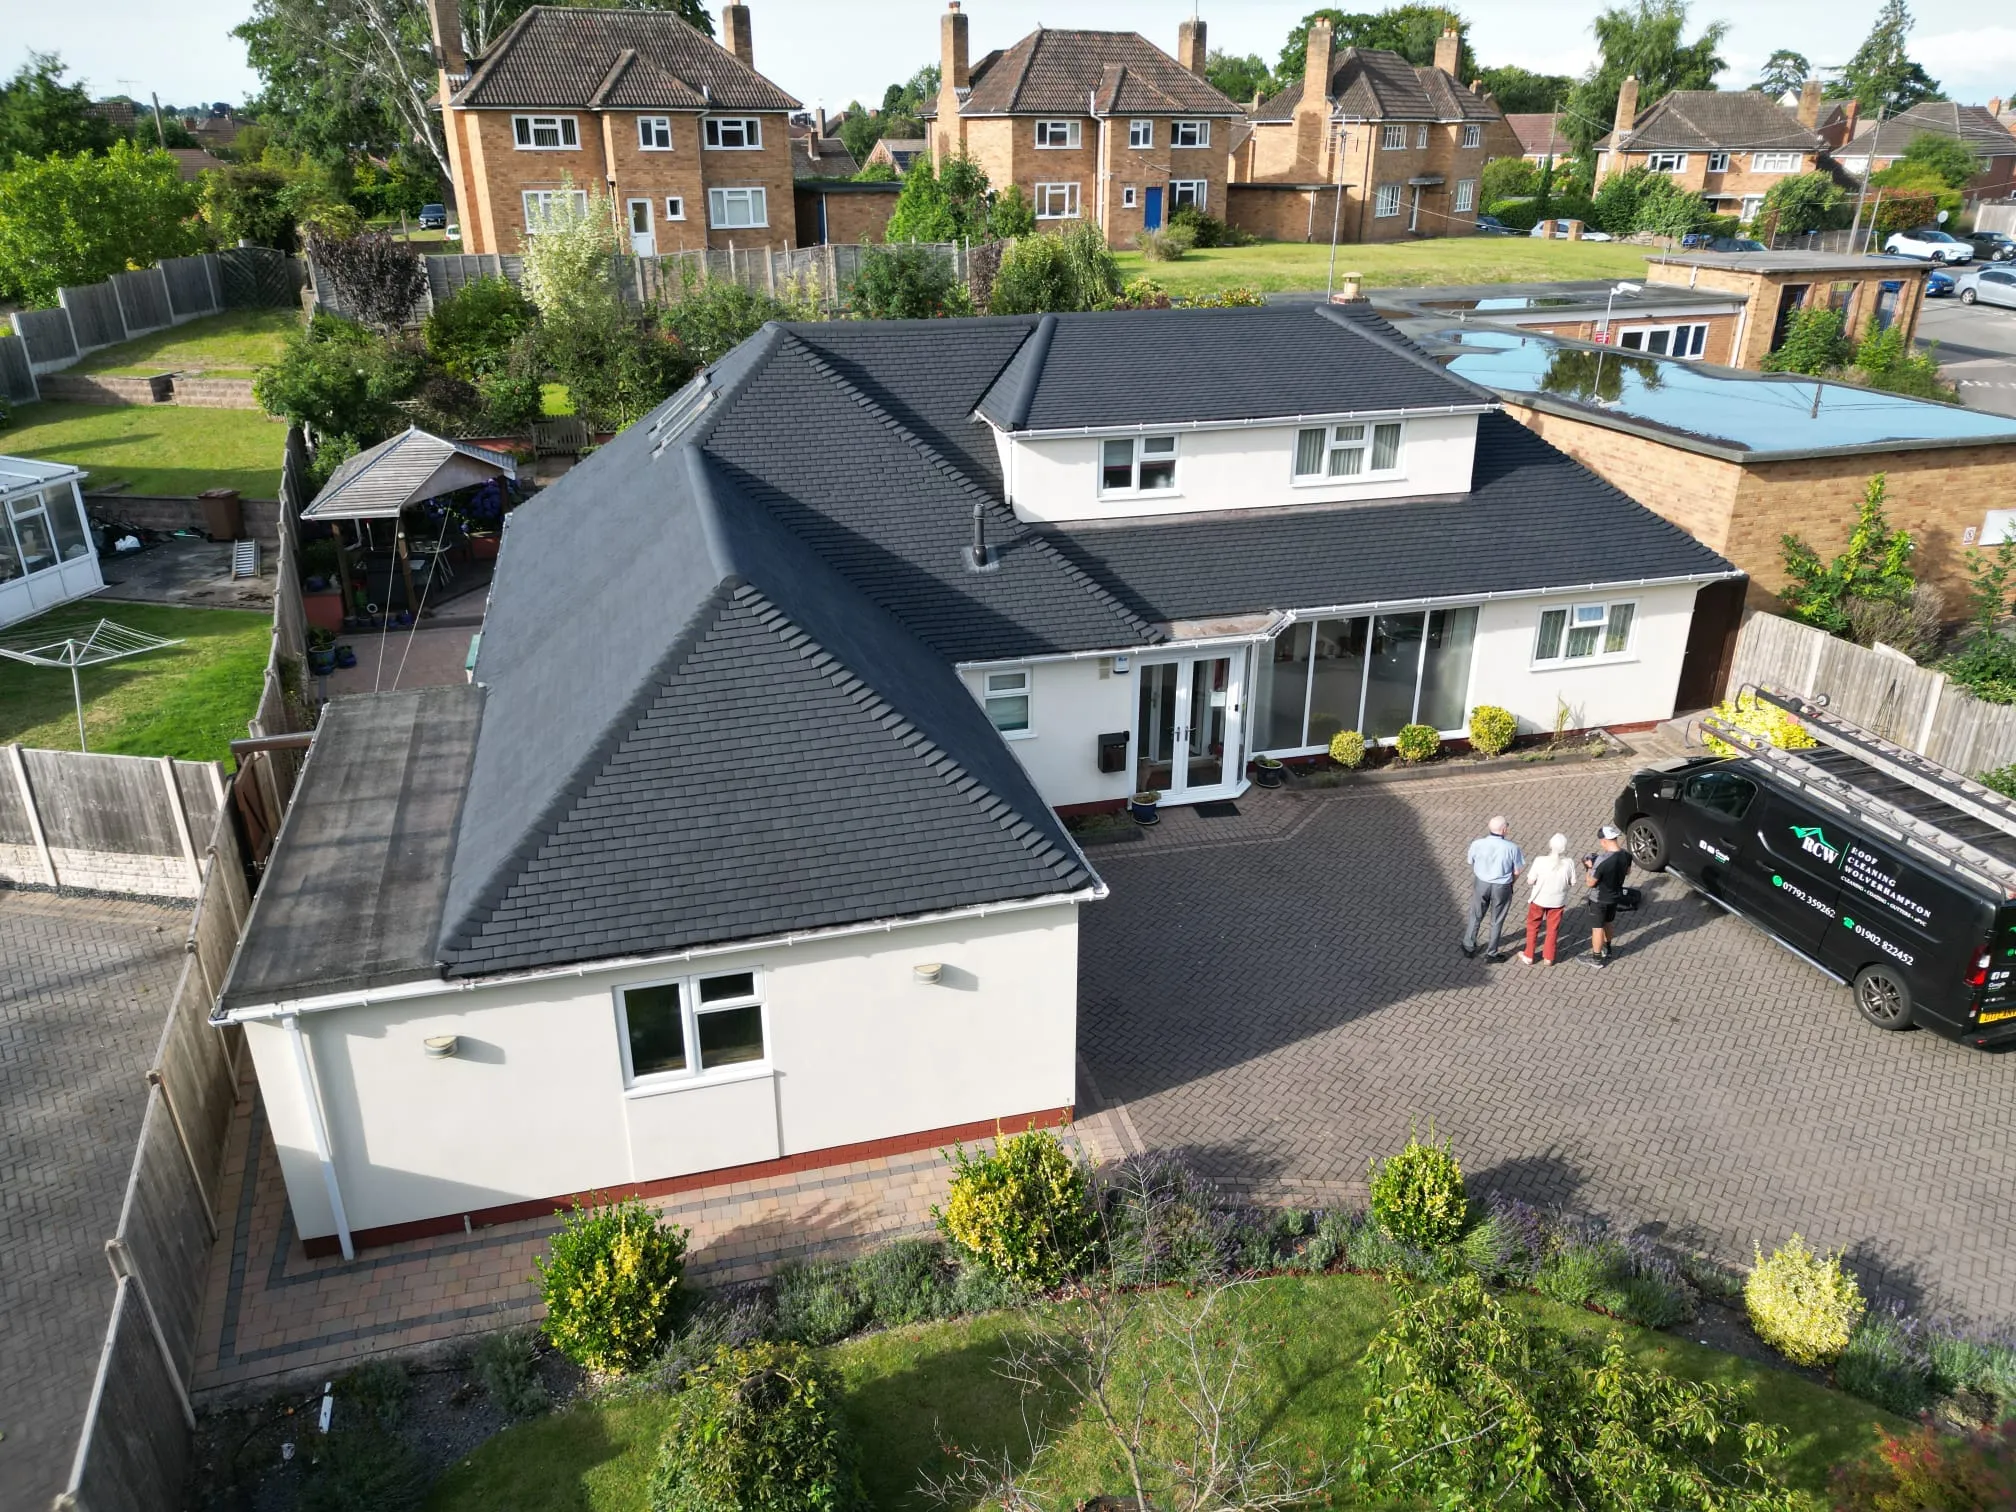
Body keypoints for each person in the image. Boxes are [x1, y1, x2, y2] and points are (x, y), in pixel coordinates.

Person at [1462, 816, 1525, 962]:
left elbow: (1470, 861)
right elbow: (1517, 871)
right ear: (1503, 829)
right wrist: (1510, 884)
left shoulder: (1477, 844)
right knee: (1497, 919)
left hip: (1481, 883)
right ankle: (1491, 953)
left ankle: (1468, 945)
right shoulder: (1512, 848)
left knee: (1476, 914)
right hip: (1502, 886)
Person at [1518, 833, 1576, 965]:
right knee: (1552, 929)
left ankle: (1529, 955)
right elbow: (1572, 883)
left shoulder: (1540, 860)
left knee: (1533, 926)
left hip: (1539, 899)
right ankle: (1549, 957)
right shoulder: (1569, 863)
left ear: (1550, 845)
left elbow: (1530, 881)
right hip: (1558, 901)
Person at [1582, 824, 1632, 969]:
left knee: (1597, 928)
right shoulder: (1626, 856)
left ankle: (1596, 959)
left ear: (1604, 841)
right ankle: (1608, 949)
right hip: (1614, 897)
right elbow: (1627, 872)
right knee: (1608, 923)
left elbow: (1590, 883)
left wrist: (1589, 867)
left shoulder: (1602, 861)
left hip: (1599, 899)